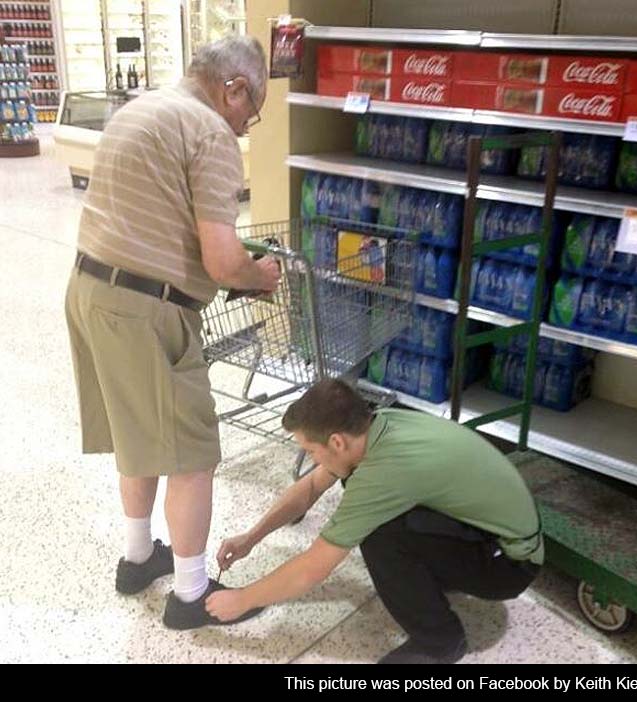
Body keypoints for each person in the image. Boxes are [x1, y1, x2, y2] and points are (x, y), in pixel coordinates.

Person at [64, 36, 280, 630]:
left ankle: (138, 558)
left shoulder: (143, 108)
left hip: (90, 290)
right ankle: (190, 596)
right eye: (250, 109)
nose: (245, 123)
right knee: (191, 455)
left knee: (138, 435)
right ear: (233, 88)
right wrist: (255, 273)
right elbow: (221, 260)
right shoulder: (209, 132)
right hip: (146, 310)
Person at [206, 379, 543, 663]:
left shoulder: (384, 472)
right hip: (496, 534)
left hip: (509, 564)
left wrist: (243, 599)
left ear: (335, 441)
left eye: (310, 450)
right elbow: (309, 487)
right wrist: (251, 537)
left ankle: (440, 643)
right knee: (380, 513)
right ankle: (438, 577)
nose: (311, 458)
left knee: (381, 534)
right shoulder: (377, 424)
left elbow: (314, 566)